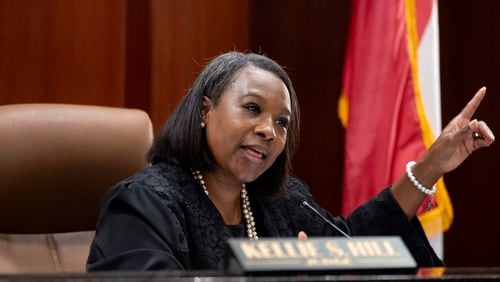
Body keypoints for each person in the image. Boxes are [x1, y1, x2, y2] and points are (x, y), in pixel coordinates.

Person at [86, 51, 494, 271]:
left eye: (282, 123)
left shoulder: (281, 200)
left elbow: (352, 246)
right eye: (251, 108)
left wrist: (431, 166)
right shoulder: (144, 203)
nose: (269, 130)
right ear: (205, 111)